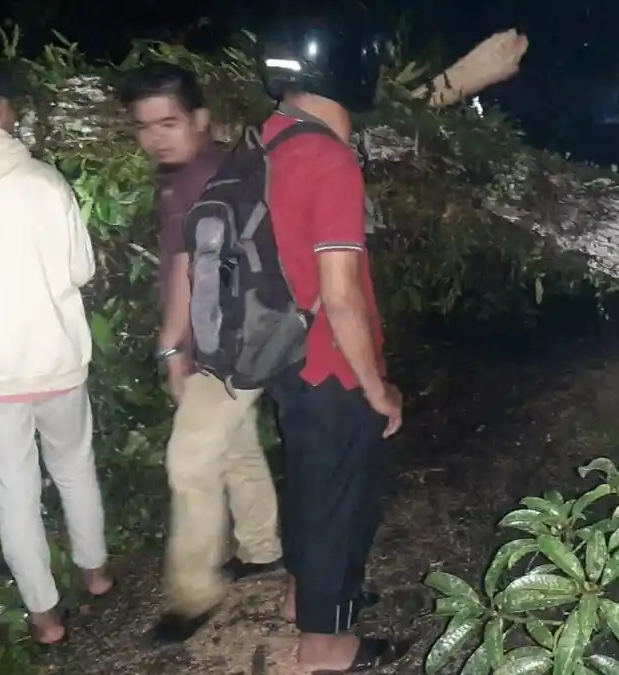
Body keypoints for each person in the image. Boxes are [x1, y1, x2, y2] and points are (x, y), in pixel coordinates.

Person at [0, 55, 112, 644]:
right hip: (56, 357)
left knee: (13, 492)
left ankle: (44, 618)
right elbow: (81, 269)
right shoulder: (44, 181)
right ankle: (96, 573)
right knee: (74, 468)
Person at [255, 9, 407, 672]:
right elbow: (341, 293)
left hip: (283, 350)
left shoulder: (271, 137)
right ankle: (325, 644)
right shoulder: (327, 157)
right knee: (340, 499)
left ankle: (306, 595)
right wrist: (378, 388)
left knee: (312, 483)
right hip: (328, 360)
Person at [118, 64, 285, 644]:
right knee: (233, 446)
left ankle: (194, 595)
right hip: (240, 340)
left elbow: (188, 269)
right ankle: (262, 550)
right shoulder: (196, 170)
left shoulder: (201, 180)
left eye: (169, 122)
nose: (156, 137)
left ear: (200, 120)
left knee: (188, 464)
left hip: (226, 347)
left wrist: (171, 350)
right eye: (144, 126)